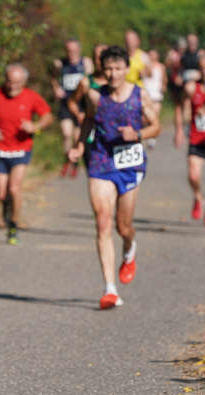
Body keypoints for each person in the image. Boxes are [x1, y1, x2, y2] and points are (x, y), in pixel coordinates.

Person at [68, 45, 161, 309]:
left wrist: (139, 135)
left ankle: (129, 249)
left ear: (126, 69)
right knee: (102, 222)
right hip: (100, 162)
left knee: (123, 227)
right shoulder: (95, 96)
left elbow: (156, 126)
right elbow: (88, 121)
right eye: (108, 68)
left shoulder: (140, 95)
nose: (112, 73)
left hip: (129, 164)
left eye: (118, 68)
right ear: (102, 68)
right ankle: (110, 289)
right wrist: (79, 146)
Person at [0, 63, 53, 244]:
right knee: (0, 193)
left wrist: (35, 126)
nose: (13, 87)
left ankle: (13, 225)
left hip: (21, 149)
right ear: (5, 80)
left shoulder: (31, 97)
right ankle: (7, 206)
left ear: (24, 82)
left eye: (18, 83)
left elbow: (47, 116)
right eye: (10, 82)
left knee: (14, 188)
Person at [174, 53, 205, 225]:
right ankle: (198, 197)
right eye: (202, 68)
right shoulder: (192, 87)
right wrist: (179, 129)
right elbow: (180, 106)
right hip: (197, 136)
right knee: (193, 175)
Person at [51, 38, 94, 178]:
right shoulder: (60, 64)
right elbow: (54, 78)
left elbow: (92, 79)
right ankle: (67, 160)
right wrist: (56, 89)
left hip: (81, 104)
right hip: (66, 103)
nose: (71, 53)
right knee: (66, 133)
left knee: (77, 136)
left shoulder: (85, 63)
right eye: (69, 50)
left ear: (79, 50)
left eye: (74, 50)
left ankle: (75, 163)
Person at [67, 43, 108, 168]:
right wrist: (79, 114)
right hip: (91, 134)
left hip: (112, 135)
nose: (100, 61)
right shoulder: (86, 82)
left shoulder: (119, 83)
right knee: (94, 172)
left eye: (103, 57)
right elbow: (72, 102)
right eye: (97, 57)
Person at [142, 48, 165, 148]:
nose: (151, 56)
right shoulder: (145, 66)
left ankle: (152, 137)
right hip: (147, 93)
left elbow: (164, 78)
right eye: (150, 54)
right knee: (145, 118)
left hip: (156, 94)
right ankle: (147, 133)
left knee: (155, 116)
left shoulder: (161, 67)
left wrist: (163, 85)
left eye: (153, 54)